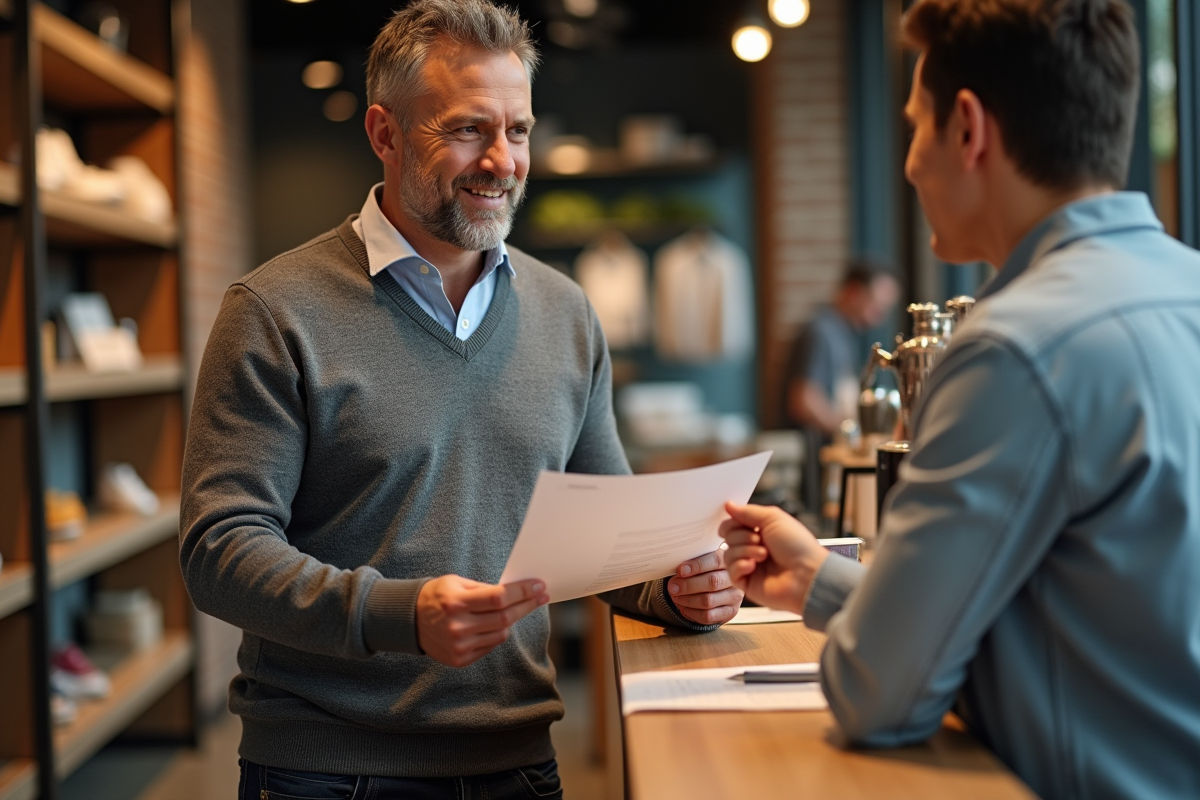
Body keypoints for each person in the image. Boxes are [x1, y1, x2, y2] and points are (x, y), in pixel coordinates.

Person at [178, 1, 741, 797]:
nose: (502, 161)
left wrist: (677, 591)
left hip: (517, 762)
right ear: (385, 133)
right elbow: (218, 553)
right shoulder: (275, 312)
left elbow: (610, 536)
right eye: (468, 130)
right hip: (325, 770)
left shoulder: (567, 313)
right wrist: (397, 613)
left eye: (518, 130)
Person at [722, 1, 1200, 798]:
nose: (908, 162)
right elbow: (1093, 620)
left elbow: (879, 696)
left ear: (969, 128)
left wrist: (872, 639)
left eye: (915, 125)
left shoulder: (1013, 350)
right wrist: (823, 582)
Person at [782, 262, 898, 511]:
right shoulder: (820, 332)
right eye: (876, 305)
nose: (879, 316)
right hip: (813, 464)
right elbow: (804, 400)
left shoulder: (844, 333)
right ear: (854, 291)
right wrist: (851, 437)